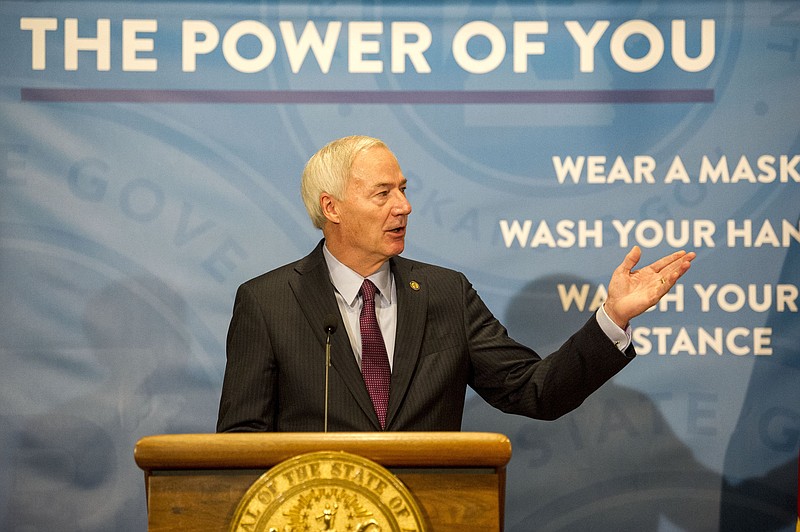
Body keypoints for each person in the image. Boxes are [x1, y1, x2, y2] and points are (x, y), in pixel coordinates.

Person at [216, 135, 695, 433]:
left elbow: (535, 391)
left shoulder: (446, 294)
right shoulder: (268, 302)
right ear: (333, 208)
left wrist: (613, 318)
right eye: (383, 194)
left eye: (403, 190)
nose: (403, 206)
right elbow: (240, 443)